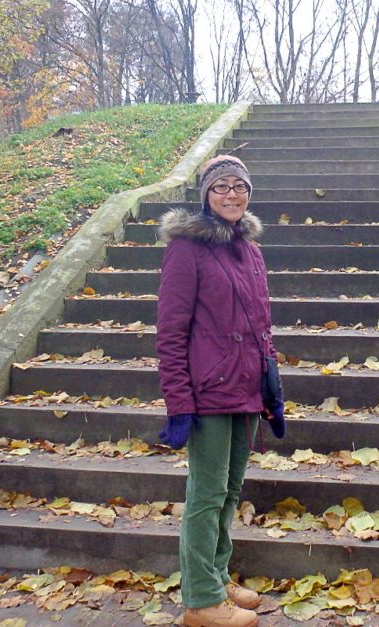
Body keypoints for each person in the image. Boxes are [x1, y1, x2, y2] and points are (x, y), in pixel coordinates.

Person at [156, 155, 277, 627]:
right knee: (206, 494)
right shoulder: (186, 249)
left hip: (246, 387)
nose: (231, 194)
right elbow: (170, 332)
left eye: (240, 186)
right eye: (221, 186)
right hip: (207, 390)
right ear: (205, 194)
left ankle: (216, 574)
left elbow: (261, 324)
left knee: (229, 490)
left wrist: (271, 385)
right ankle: (201, 601)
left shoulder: (250, 249)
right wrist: (178, 402)